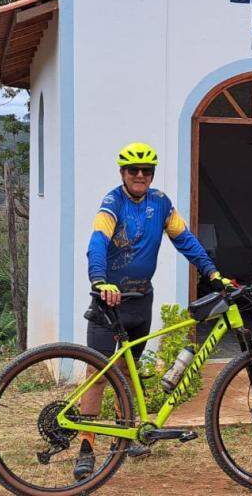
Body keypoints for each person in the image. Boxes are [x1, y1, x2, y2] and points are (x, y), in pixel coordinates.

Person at [73, 141, 232, 480]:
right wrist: (100, 280)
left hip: (141, 300)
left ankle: (126, 435)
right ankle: (86, 445)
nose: (141, 175)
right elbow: (97, 242)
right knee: (97, 373)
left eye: (147, 170)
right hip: (109, 301)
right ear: (123, 173)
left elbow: (185, 240)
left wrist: (211, 272)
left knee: (129, 372)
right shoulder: (111, 203)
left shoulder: (160, 203)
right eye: (134, 170)